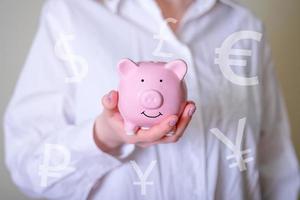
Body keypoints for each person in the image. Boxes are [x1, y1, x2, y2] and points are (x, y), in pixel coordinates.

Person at [4, 0, 299, 199]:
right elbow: (28, 167)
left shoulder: (244, 26)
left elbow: (275, 163)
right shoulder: (72, 13)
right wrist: (104, 137)